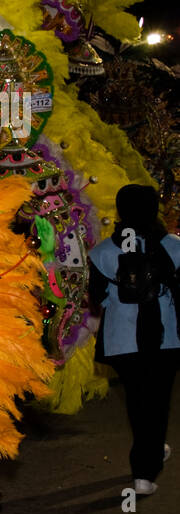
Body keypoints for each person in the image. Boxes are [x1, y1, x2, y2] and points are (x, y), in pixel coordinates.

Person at [89, 184, 180, 496]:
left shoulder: (101, 252)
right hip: (166, 339)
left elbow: (95, 299)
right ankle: (145, 469)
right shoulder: (174, 247)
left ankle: (148, 457)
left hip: (123, 341)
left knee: (138, 401)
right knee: (158, 402)